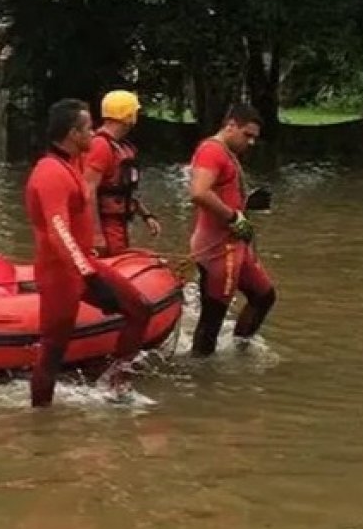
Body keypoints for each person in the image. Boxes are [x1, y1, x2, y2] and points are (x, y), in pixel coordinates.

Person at [23, 98, 169, 407]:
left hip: (82, 263)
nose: (95, 133)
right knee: (53, 350)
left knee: (139, 309)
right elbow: (59, 232)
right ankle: (41, 420)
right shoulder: (50, 173)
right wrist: (90, 277)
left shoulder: (73, 163)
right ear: (73, 134)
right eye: (89, 128)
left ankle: (117, 386)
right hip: (60, 274)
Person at [187, 103, 277, 356]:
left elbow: (221, 191)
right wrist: (233, 217)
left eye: (254, 137)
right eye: (247, 135)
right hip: (218, 249)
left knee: (264, 296)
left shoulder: (227, 152)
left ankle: (240, 349)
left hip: (234, 244)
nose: (251, 142)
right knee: (212, 317)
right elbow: (199, 192)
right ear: (230, 126)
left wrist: (245, 207)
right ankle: (201, 371)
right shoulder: (211, 151)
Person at [83, 89, 161, 256]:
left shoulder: (121, 146)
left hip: (118, 222)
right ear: (128, 115)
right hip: (107, 224)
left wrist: (146, 215)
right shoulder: (100, 146)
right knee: (114, 261)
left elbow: (125, 189)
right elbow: (88, 190)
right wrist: (96, 235)